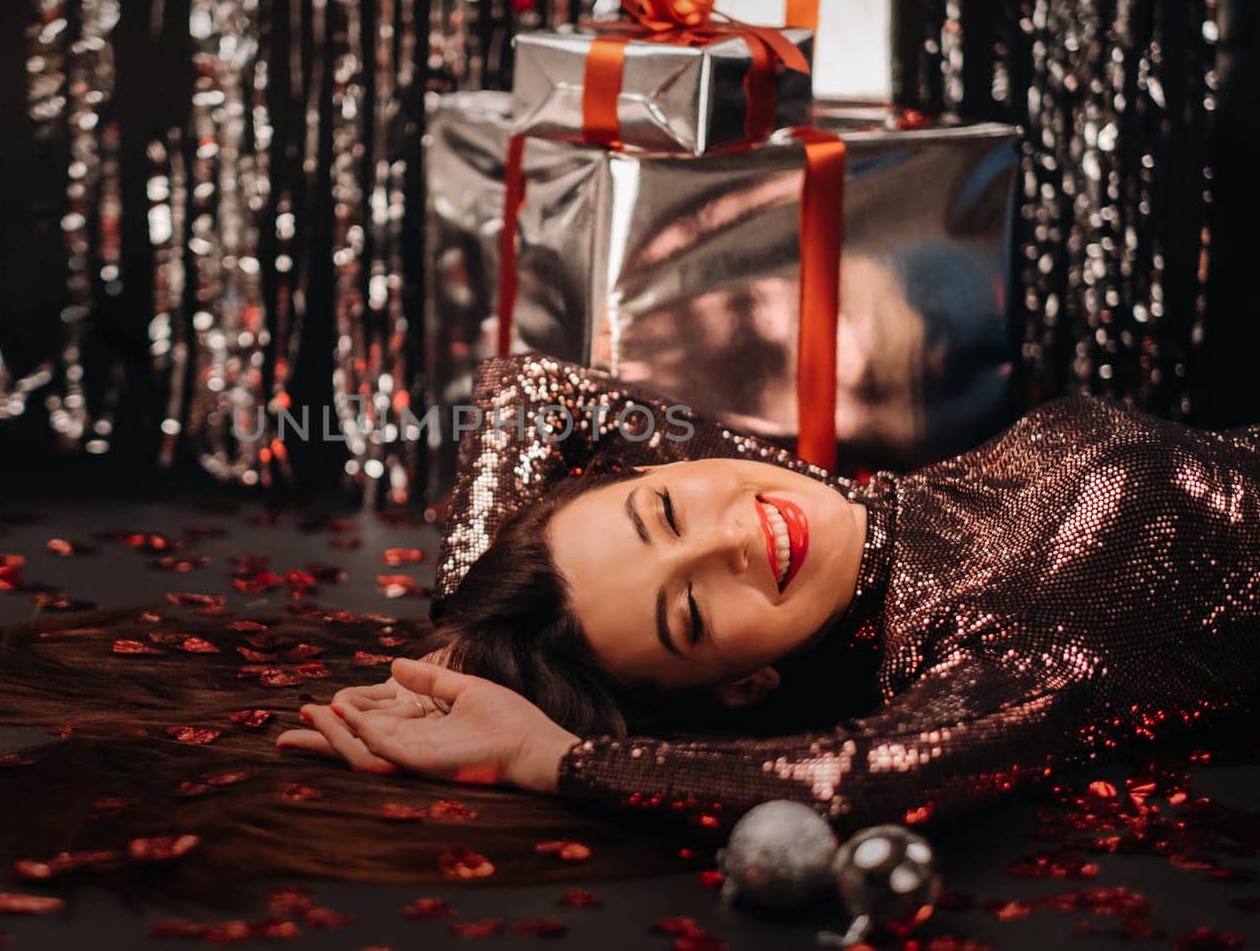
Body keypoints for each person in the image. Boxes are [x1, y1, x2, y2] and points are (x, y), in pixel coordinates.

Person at [278, 354, 1260, 827]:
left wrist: (468, 615)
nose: (730, 540)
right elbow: (850, 778)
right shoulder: (984, 641)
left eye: (660, 511)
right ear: (743, 686)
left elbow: (533, 391)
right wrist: (555, 759)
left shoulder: (841, 502)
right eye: (692, 611)